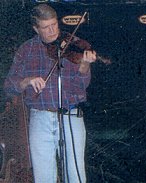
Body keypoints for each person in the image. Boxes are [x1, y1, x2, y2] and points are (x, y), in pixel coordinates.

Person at [3, 4, 96, 183]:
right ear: (36, 29)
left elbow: (80, 88)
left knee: (75, 174)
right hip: (40, 118)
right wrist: (27, 81)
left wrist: (84, 66)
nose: (53, 30)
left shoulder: (73, 44)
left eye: (54, 24)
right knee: (43, 175)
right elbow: (9, 86)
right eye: (46, 27)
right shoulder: (26, 50)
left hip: (71, 115)